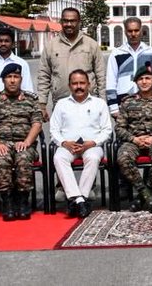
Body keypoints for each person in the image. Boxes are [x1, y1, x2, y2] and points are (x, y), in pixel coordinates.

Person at [0, 63, 44, 221]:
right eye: (9, 77)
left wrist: (27, 142)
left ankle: (23, 201)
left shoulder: (31, 100)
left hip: (24, 143)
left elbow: (37, 124)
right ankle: (7, 202)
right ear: (3, 80)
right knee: (3, 160)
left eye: (16, 77)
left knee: (23, 159)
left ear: (21, 79)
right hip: (1, 142)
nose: (12, 80)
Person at [48, 69, 113, 218]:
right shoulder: (61, 104)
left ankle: (78, 199)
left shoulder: (99, 103)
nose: (79, 86)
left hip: (92, 145)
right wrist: (64, 142)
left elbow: (107, 130)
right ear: (70, 86)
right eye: (75, 83)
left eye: (82, 83)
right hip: (68, 146)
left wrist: (93, 142)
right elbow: (54, 130)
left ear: (88, 84)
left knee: (93, 158)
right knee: (59, 158)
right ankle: (80, 200)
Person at [114, 66, 152, 214]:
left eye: (147, 78)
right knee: (123, 158)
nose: (144, 81)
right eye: (140, 79)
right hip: (133, 141)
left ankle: (142, 197)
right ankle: (146, 194)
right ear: (136, 82)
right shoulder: (127, 102)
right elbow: (119, 128)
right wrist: (133, 139)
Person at [38, 7, 107, 117]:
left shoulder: (91, 44)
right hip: (61, 101)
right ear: (61, 22)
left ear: (79, 22)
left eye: (72, 21)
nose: (69, 24)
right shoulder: (51, 46)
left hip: (88, 101)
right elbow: (44, 75)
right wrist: (42, 103)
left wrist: (103, 102)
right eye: (65, 21)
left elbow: (101, 75)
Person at [106, 17, 152, 115]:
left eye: (136, 30)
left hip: (147, 104)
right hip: (123, 103)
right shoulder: (116, 53)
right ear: (125, 32)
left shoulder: (151, 52)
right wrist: (113, 107)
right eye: (130, 31)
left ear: (141, 30)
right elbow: (111, 80)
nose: (133, 34)